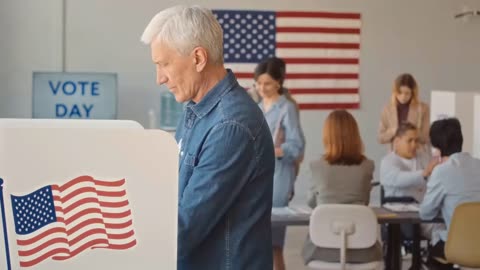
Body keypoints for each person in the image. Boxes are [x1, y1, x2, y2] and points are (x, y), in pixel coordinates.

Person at [141, 5, 275, 270]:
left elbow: (184, 228)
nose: (160, 78)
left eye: (164, 64)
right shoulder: (195, 111)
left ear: (199, 58)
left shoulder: (231, 126)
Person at [302, 110, 382, 264]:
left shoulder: (316, 166)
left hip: (322, 250)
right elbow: (364, 201)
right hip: (363, 251)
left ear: (327, 136)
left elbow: (312, 203)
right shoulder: (367, 166)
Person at [254, 57, 305, 270]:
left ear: (278, 82)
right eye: (258, 83)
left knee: (274, 239)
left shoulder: (287, 109)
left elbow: (297, 146)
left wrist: (275, 150)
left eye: (266, 83)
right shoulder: (256, 107)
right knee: (257, 235)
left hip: (279, 174)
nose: (261, 88)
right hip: (256, 175)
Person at [420, 118, 480, 267]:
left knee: (435, 250)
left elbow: (425, 214)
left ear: (437, 148)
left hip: (459, 246)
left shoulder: (441, 171)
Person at [378, 73, 430, 154]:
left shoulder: (423, 109)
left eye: (407, 93)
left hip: (417, 155)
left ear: (413, 93)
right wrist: (393, 130)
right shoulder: (387, 109)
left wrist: (411, 133)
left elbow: (425, 138)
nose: (403, 97)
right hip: (394, 155)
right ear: (394, 92)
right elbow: (380, 138)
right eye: (400, 93)